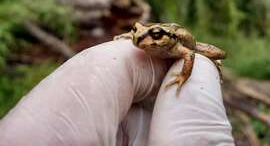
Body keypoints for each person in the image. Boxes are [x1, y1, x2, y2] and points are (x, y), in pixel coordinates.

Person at [0, 40, 234, 145]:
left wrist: (183, 76)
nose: (141, 39)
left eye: (154, 35)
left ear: (168, 38)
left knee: (216, 54)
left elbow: (189, 54)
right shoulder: (144, 42)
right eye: (136, 32)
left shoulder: (176, 45)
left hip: (192, 46)